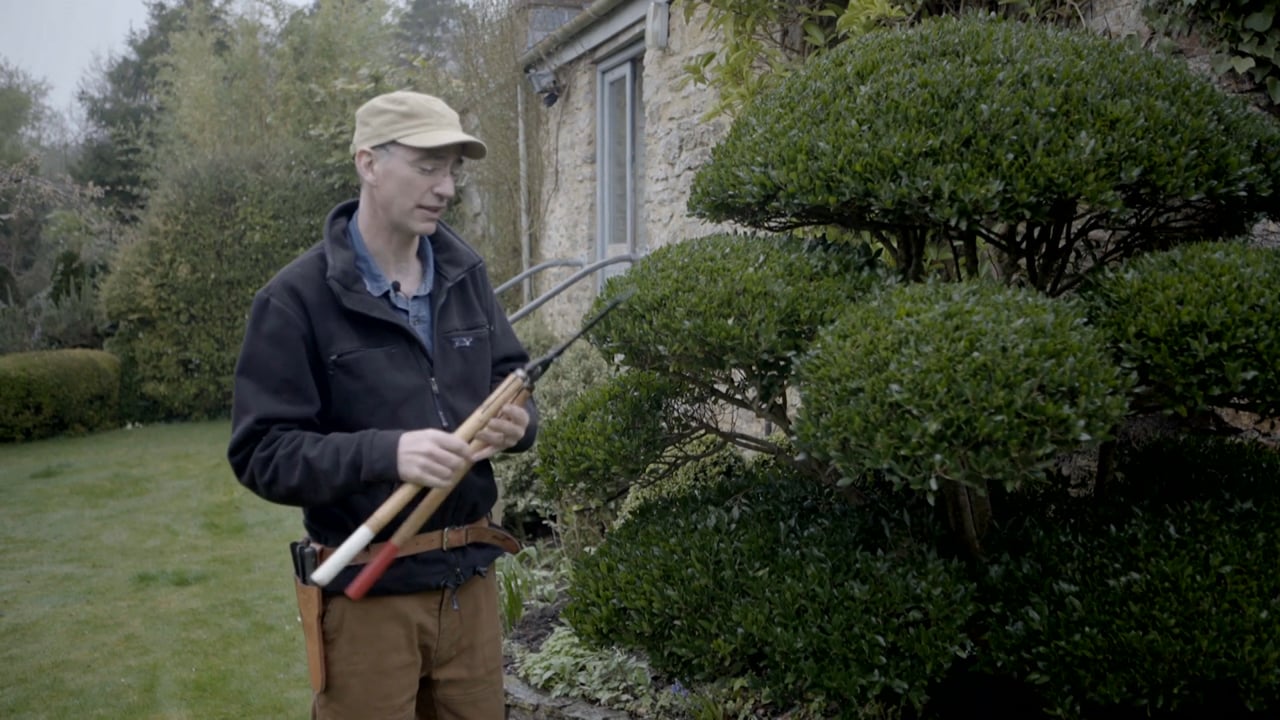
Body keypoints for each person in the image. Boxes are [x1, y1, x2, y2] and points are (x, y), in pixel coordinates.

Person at [227, 90, 537, 720]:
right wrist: (387, 452)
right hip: (369, 596)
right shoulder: (294, 300)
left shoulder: (464, 273)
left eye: (452, 169)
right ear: (369, 163)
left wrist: (518, 422)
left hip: (469, 588)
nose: (445, 187)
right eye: (427, 166)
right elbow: (263, 453)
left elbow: (512, 374)